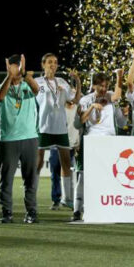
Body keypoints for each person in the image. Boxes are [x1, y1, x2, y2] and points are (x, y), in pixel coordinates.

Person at [0, 54, 40, 224]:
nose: (18, 69)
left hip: (30, 138)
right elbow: (0, 97)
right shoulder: (0, 87)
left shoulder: (27, 86)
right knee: (6, 179)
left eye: (20, 66)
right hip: (8, 139)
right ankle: (7, 212)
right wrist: (9, 76)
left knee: (31, 179)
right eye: (15, 66)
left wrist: (26, 74)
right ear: (9, 67)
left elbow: (37, 90)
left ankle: (31, 212)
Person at [76, 70, 127, 221]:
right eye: (100, 86)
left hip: (109, 141)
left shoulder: (111, 97)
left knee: (109, 176)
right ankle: (78, 210)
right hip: (91, 140)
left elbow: (118, 99)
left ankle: (105, 208)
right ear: (93, 85)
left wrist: (119, 77)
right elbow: (81, 120)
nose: (104, 89)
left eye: (106, 86)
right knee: (84, 176)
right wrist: (92, 107)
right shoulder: (85, 100)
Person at [34, 53, 81, 210]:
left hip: (60, 128)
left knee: (66, 163)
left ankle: (67, 198)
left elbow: (75, 100)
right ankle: (32, 196)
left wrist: (77, 81)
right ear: (43, 65)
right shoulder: (37, 82)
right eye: (49, 62)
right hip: (43, 127)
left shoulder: (62, 82)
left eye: (55, 62)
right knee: (38, 163)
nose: (53, 65)